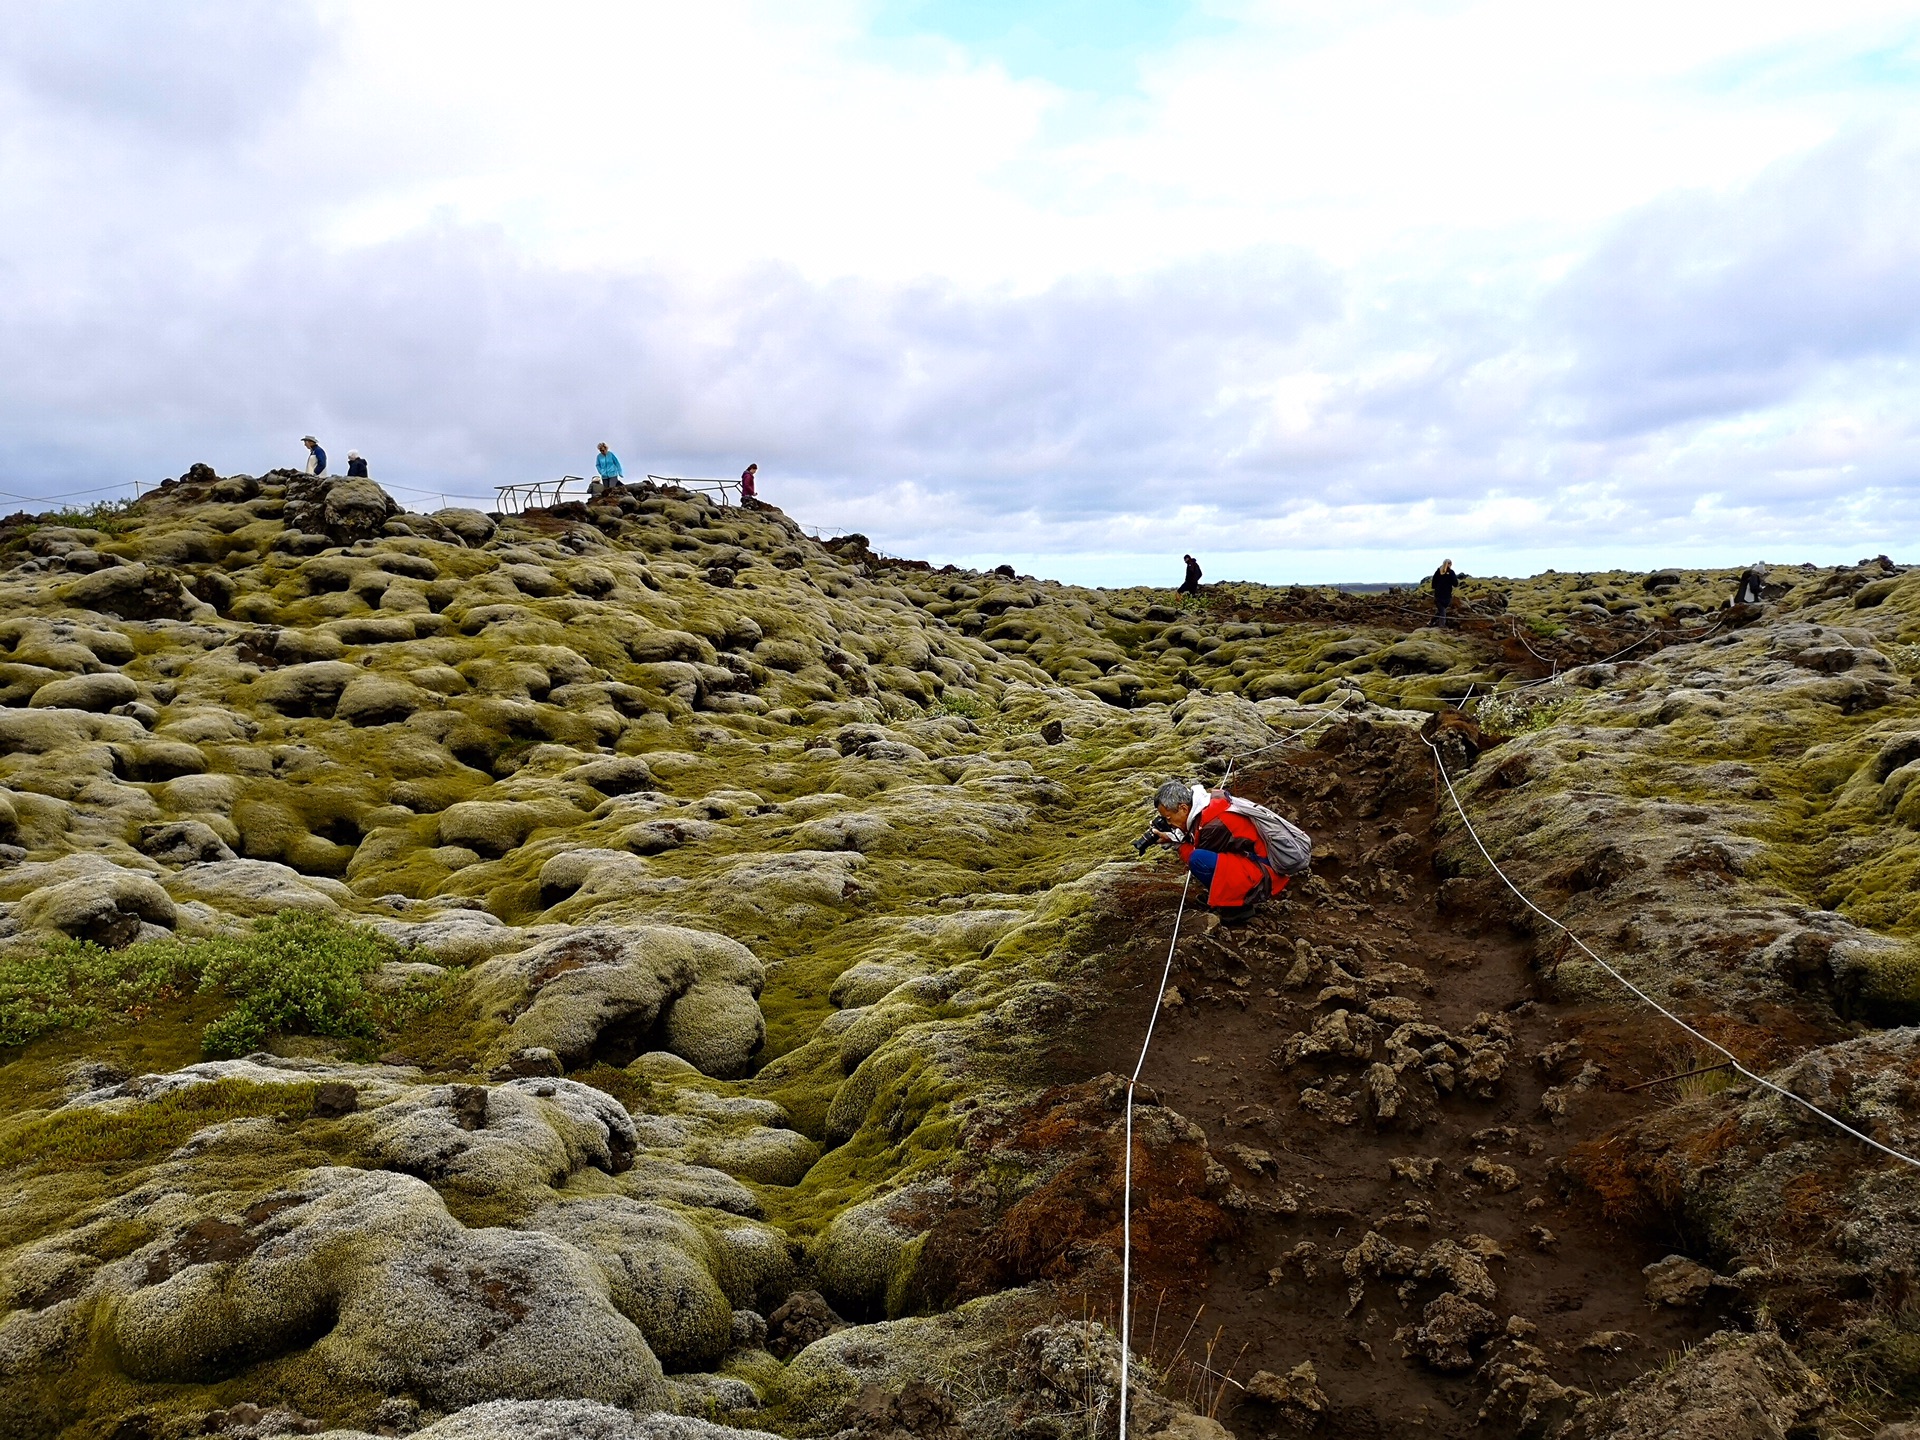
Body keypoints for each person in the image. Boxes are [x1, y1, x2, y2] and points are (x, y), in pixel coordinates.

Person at [1148, 778, 1280, 924]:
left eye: (1168, 818)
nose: (1169, 824)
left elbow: (1196, 854)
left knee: (1199, 860)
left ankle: (1238, 908)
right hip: (1261, 863)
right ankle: (1228, 897)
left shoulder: (1214, 824)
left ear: (1183, 808)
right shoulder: (1208, 807)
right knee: (1205, 859)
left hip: (1266, 875)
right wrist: (1174, 837)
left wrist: (1177, 844)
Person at [1431, 559, 1458, 627]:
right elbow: (1455, 583)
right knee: (1443, 612)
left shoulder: (1437, 572)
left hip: (1438, 595)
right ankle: (1441, 627)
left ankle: (1431, 622)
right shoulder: (1451, 572)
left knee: (1441, 611)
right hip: (1447, 596)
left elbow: (1433, 584)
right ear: (1450, 564)